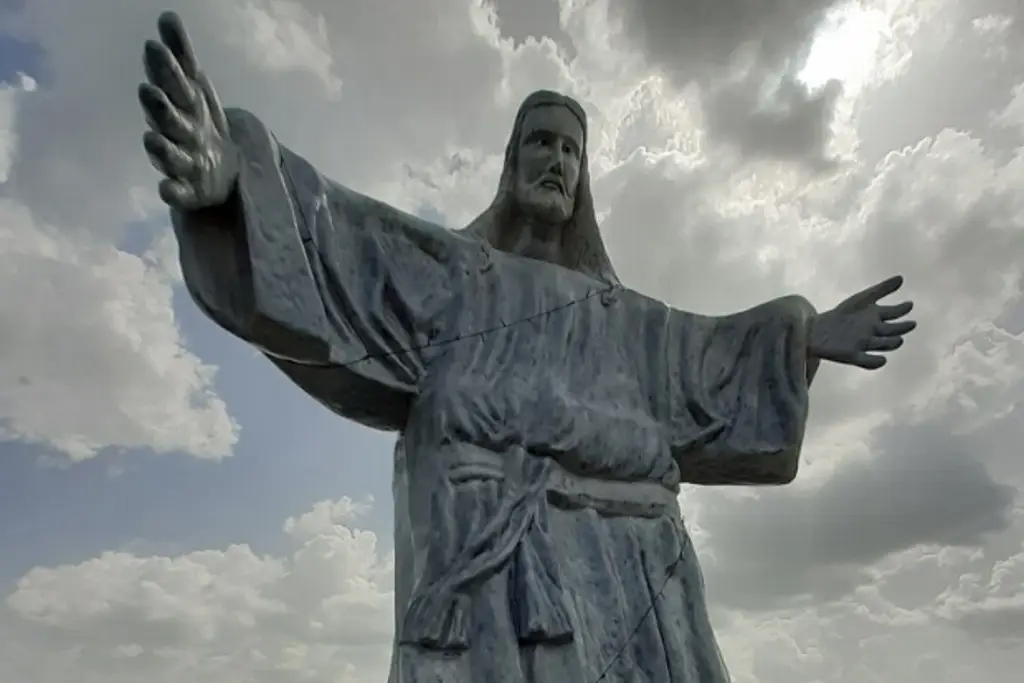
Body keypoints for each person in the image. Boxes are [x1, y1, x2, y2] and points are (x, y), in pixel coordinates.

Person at [139, 12, 915, 683]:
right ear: (511, 162)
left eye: (571, 151)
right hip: (491, 579)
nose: (557, 161)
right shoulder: (449, 275)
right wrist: (237, 180)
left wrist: (804, 336)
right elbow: (337, 240)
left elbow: (711, 361)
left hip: (639, 587)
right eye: (541, 143)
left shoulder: (627, 322)